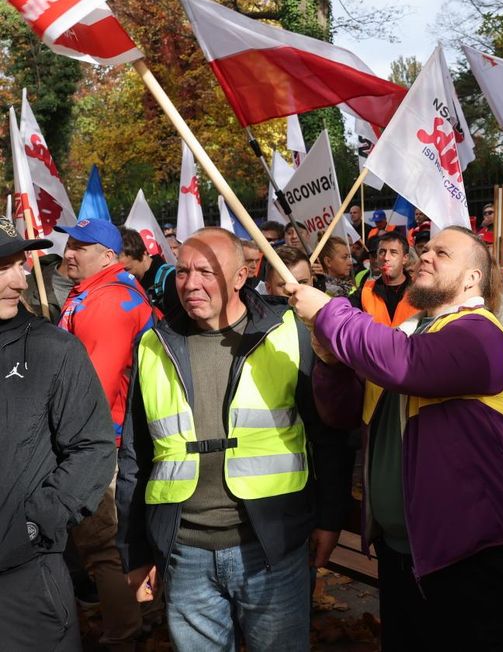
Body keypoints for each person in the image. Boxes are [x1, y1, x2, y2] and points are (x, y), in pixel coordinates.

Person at [289, 226, 503, 651]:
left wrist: (329, 313)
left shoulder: (483, 333)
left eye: (443, 252)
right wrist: (330, 362)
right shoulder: (407, 332)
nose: (425, 256)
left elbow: (407, 365)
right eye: (425, 249)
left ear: (472, 278)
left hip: (466, 556)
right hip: (402, 551)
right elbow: (343, 412)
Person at [116, 227, 348, 651]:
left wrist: (331, 518)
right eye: (182, 271)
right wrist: (136, 551)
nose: (191, 283)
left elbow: (327, 434)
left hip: (271, 546)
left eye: (206, 271)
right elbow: (136, 455)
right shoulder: (152, 344)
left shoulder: (289, 333)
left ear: (242, 276)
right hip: (184, 551)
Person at [0, 218, 117, 651]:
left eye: (20, 264)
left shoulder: (53, 349)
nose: (20, 278)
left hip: (27, 582)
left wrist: (35, 523)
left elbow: (92, 447)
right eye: (2, 267)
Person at [58, 218, 156, 651]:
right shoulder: (98, 294)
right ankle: (132, 621)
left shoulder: (107, 303)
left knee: (102, 546)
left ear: (109, 256)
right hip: (103, 440)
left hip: (100, 444)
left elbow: (92, 387)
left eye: (82, 245)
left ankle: (122, 633)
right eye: (69, 243)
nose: (70, 252)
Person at [353, 231, 418, 328]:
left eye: (393, 252)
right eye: (382, 252)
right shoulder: (365, 290)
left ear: (405, 258)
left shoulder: (420, 292)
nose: (386, 258)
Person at [119, 227, 183, 320]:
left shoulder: (170, 279)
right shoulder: (127, 282)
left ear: (143, 254)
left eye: (127, 269)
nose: (121, 275)